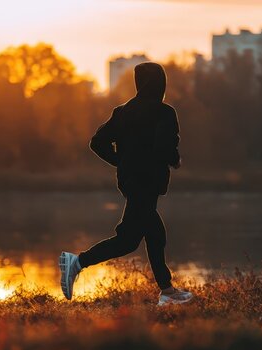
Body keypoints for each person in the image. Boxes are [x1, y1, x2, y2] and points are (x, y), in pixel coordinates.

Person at [59, 62, 193, 306]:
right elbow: (164, 147)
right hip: (148, 182)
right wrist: (175, 160)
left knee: (155, 234)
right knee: (128, 240)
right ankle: (77, 262)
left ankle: (167, 291)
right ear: (160, 83)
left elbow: (97, 142)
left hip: (131, 181)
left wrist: (122, 162)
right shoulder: (164, 112)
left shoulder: (123, 112)